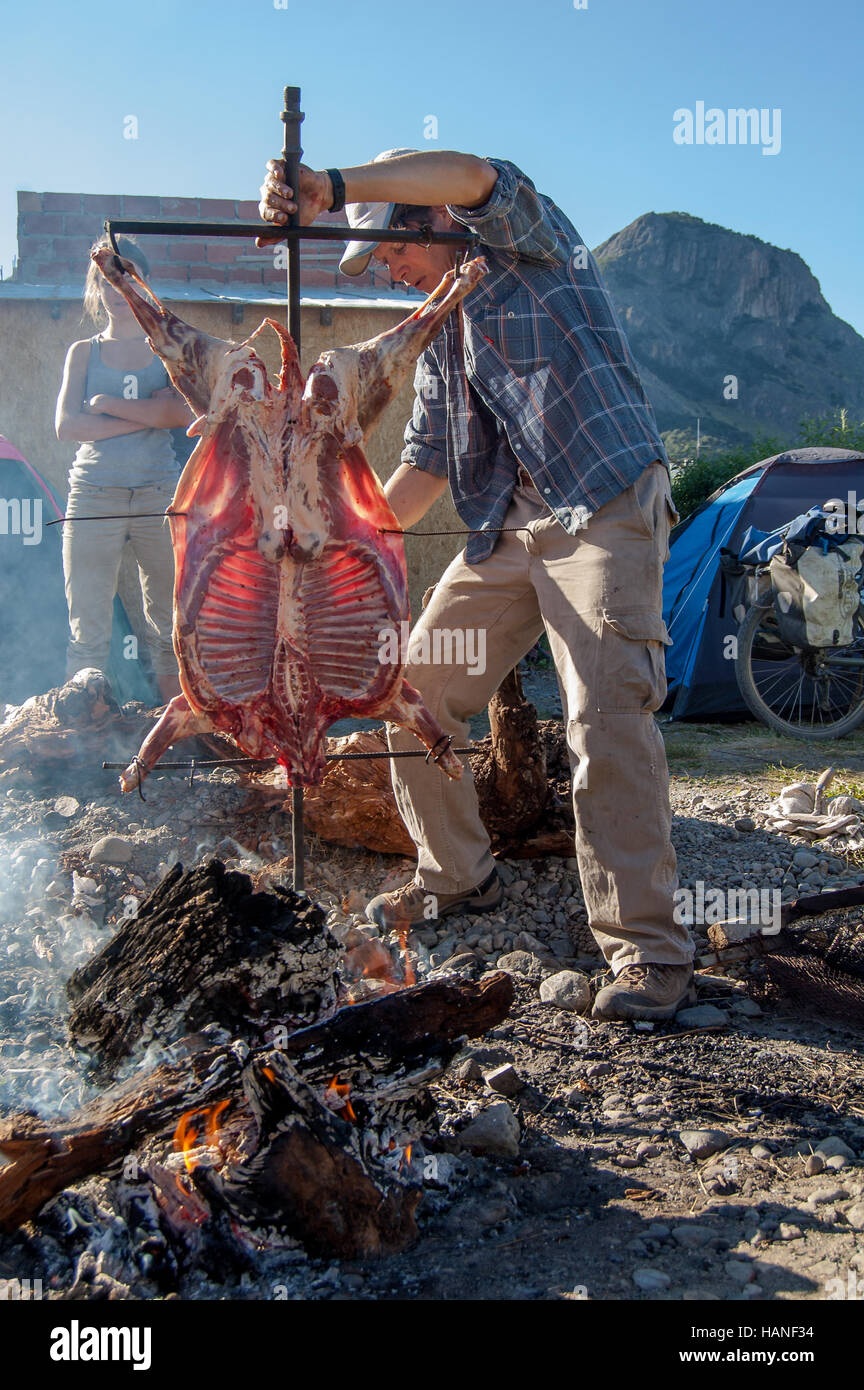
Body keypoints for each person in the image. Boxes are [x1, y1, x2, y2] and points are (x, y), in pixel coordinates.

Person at [258, 150, 695, 1020]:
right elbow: (419, 475)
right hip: (508, 536)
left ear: (428, 220)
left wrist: (336, 190)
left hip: (599, 504)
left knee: (603, 714)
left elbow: (475, 175)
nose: (387, 271)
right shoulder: (438, 340)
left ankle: (648, 952)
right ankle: (457, 878)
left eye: (390, 252)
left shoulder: (529, 245)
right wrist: (328, 540)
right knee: (411, 689)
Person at [55, 236, 191, 703]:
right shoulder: (82, 352)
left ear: (144, 282)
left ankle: (181, 735)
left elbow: (182, 416)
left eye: (125, 275)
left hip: (160, 497)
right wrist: (144, 412)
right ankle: (81, 747)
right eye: (105, 278)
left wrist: (108, 407)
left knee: (169, 629)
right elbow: (68, 427)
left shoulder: (167, 349)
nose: (116, 287)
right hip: (93, 496)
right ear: (95, 287)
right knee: (87, 633)